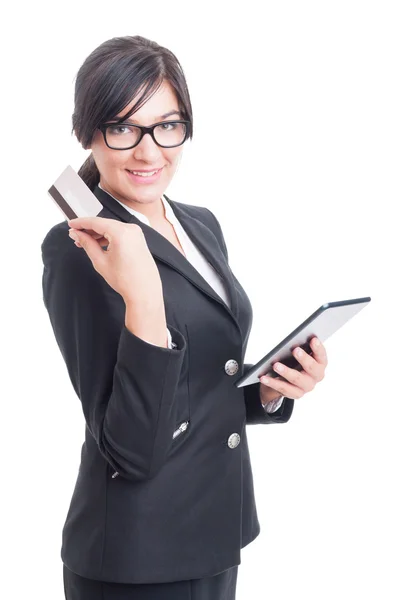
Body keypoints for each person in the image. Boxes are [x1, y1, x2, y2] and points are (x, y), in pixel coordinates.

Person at [41, 35, 328, 600]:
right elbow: (128, 446)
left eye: (167, 126)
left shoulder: (200, 224)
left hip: (216, 532)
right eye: (122, 129)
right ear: (87, 132)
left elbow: (200, 378)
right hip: (136, 558)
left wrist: (269, 389)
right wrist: (143, 297)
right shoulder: (80, 250)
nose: (149, 152)